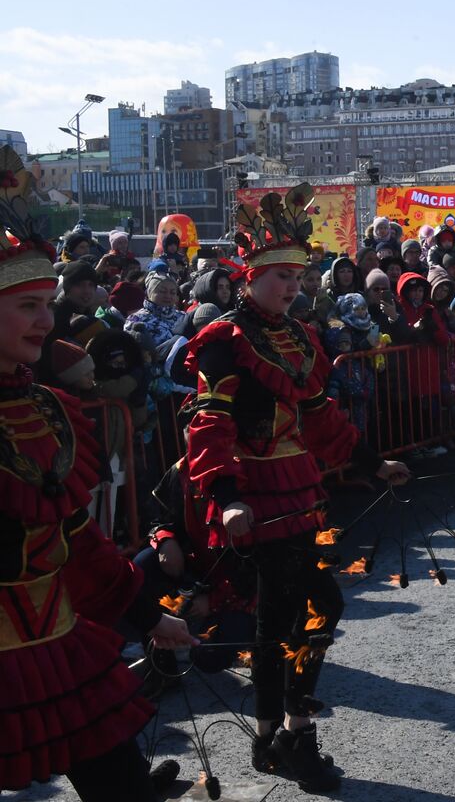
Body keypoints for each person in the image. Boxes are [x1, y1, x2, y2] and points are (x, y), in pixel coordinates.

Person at [184, 183, 410, 792]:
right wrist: (227, 495)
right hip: (254, 493)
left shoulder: (299, 336)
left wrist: (371, 461)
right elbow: (211, 423)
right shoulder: (224, 342)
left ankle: (280, 733)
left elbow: (321, 418)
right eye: (281, 274)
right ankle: (285, 737)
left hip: (300, 487)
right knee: (286, 615)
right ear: (248, 277)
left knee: (308, 610)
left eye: (299, 274)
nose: (292, 285)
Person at [0, 148, 195, 800]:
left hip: (55, 638)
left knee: (119, 783)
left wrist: (146, 615)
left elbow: (78, 536)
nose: (44, 320)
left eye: (42, 303)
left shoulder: (49, 406)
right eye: (24, 306)